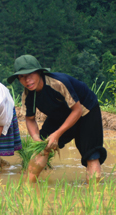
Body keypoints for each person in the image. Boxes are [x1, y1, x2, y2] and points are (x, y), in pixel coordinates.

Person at [7, 55, 107, 183]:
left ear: (39, 72)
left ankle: (94, 194)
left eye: (30, 74)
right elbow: (30, 119)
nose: (27, 80)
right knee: (41, 150)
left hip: (86, 111)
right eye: (21, 77)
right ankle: (28, 188)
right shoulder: (28, 95)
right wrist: (37, 140)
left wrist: (57, 134)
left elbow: (77, 111)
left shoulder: (58, 83)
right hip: (60, 114)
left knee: (91, 155)